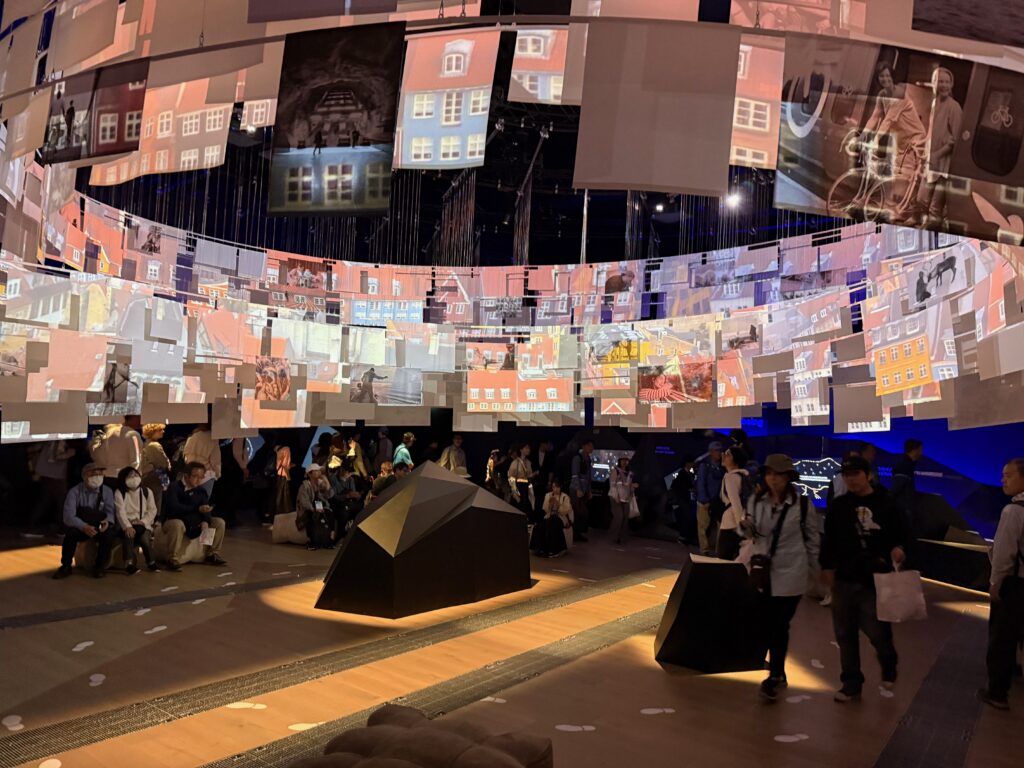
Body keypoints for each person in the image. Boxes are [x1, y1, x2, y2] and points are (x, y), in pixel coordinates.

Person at [820, 455, 906, 702]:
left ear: (868, 474)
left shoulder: (887, 503)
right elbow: (830, 539)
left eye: (855, 474)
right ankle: (851, 683)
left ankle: (888, 662)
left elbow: (902, 533)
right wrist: (826, 566)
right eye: (846, 475)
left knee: (878, 633)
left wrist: (899, 549)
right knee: (845, 633)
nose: (851, 479)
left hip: (875, 579)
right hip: (845, 578)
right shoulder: (839, 506)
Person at [745, 454, 820, 701]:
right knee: (766, 623)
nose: (772, 479)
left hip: (792, 573)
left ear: (788, 477)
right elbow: (751, 534)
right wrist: (743, 527)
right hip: (762, 573)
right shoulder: (756, 500)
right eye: (769, 473)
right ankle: (778, 670)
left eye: (777, 474)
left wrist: (816, 574)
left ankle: (775, 675)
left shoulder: (803, 504)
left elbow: (812, 540)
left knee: (779, 624)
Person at [978, 458, 1024, 710]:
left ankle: (997, 692)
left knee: (1002, 639)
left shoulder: (1013, 511)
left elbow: (1004, 554)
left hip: (1014, 585)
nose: (1002, 480)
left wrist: (995, 583)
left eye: (1008, 475)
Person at [917, 67, 963, 230]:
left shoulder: (954, 107)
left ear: (951, 84)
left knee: (935, 209)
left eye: (946, 81)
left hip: (945, 167)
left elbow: (956, 141)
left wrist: (937, 154)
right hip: (931, 163)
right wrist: (923, 146)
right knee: (921, 199)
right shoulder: (935, 103)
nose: (943, 85)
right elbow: (932, 131)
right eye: (939, 81)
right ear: (933, 83)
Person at [53, 463, 116, 579]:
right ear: (84, 476)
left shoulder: (107, 491)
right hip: (81, 526)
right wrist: (84, 527)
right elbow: (68, 516)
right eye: (93, 474)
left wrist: (108, 521)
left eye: (100, 474)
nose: (97, 476)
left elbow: (110, 511)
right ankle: (66, 566)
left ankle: (99, 566)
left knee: (108, 535)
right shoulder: (74, 492)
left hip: (99, 525)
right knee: (70, 533)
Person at [162, 462, 227, 571]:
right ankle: (172, 558)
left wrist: (205, 519)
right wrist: (196, 510)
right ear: (186, 476)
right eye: (195, 476)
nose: (198, 480)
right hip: (175, 519)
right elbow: (174, 508)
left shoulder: (201, 491)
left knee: (219, 522)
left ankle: (212, 554)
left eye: (201, 477)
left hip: (195, 520)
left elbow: (204, 506)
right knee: (177, 524)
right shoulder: (174, 487)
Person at [114, 466, 159, 574]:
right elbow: (120, 512)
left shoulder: (147, 491)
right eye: (130, 476)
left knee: (145, 539)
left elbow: (152, 510)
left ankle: (151, 562)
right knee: (129, 534)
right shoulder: (120, 492)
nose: (134, 478)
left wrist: (143, 521)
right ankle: (129, 563)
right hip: (126, 524)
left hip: (143, 523)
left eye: (136, 475)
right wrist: (127, 526)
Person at [30, 440, 76, 530]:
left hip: (47, 474)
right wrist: (70, 453)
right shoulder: (59, 441)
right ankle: (62, 527)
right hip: (55, 476)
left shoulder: (50, 440)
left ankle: (32, 525)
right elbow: (56, 456)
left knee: (45, 501)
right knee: (61, 501)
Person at [717, 445, 751, 561]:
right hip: (739, 523)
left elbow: (736, 503)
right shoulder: (743, 476)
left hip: (730, 524)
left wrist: (740, 526)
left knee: (723, 561)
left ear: (736, 460)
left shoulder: (731, 478)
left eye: (728, 454)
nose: (724, 456)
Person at [90, 416, 143, 484]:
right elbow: (137, 461)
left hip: (105, 479)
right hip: (125, 480)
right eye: (139, 417)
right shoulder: (132, 434)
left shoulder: (101, 436)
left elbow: (97, 458)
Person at [296, 464, 336, 550]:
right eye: (316, 471)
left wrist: (327, 483)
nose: (319, 473)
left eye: (319, 471)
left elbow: (330, 495)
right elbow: (304, 502)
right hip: (309, 510)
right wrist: (313, 509)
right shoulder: (305, 486)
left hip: (320, 507)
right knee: (313, 516)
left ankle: (328, 540)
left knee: (329, 513)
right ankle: (312, 542)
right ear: (310, 474)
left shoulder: (320, 484)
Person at [695, 442, 726, 556]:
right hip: (705, 501)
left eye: (720, 450)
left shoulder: (723, 466)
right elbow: (701, 483)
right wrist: (704, 500)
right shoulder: (705, 465)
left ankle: (719, 549)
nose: (719, 453)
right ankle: (704, 549)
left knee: (720, 526)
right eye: (717, 450)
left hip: (718, 501)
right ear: (711, 452)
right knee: (703, 526)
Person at [531, 478, 574, 558]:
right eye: (554, 487)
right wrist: (550, 505)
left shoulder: (565, 497)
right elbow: (545, 509)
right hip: (550, 515)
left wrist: (558, 505)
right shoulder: (548, 495)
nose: (555, 489)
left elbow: (565, 511)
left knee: (553, 524)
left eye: (557, 487)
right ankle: (540, 548)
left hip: (560, 517)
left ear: (560, 487)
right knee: (540, 526)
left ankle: (554, 549)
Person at [140, 424, 172, 515]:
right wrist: (168, 465)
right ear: (152, 431)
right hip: (153, 477)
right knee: (155, 504)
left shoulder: (147, 443)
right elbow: (163, 463)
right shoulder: (154, 446)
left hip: (148, 476)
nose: (163, 431)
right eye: (160, 430)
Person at [183, 424, 221, 498]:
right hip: (206, 475)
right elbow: (215, 461)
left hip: (191, 474)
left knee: (190, 501)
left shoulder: (193, 436)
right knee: (203, 503)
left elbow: (186, 455)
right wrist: (217, 473)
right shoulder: (213, 438)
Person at [608, 457, 639, 545]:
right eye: (622, 460)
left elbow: (628, 485)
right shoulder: (615, 471)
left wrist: (633, 492)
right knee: (619, 517)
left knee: (625, 518)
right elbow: (612, 485)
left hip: (626, 498)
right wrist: (616, 496)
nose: (624, 462)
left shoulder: (630, 473)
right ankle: (613, 536)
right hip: (616, 497)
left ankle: (620, 537)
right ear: (619, 461)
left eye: (626, 460)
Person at [570, 440, 594, 543]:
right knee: (577, 511)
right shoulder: (577, 458)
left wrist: (589, 490)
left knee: (582, 512)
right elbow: (575, 475)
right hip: (576, 489)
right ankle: (574, 533)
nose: (592, 448)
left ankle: (578, 533)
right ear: (584, 446)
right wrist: (578, 489)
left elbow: (588, 477)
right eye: (590, 446)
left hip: (584, 489)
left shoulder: (588, 459)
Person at [508, 445, 537, 522]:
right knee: (519, 508)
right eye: (526, 448)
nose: (528, 450)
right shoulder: (515, 462)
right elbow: (511, 478)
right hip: (519, 488)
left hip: (526, 488)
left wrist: (533, 475)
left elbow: (529, 477)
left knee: (527, 509)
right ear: (521, 449)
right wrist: (515, 492)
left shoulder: (528, 462)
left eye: (529, 448)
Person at [670, 456, 696, 544]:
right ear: (687, 463)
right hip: (682, 499)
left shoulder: (688, 473)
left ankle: (684, 536)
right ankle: (682, 536)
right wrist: (688, 489)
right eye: (692, 462)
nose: (693, 464)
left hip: (685, 499)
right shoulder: (682, 473)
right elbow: (676, 486)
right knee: (685, 517)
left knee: (686, 517)